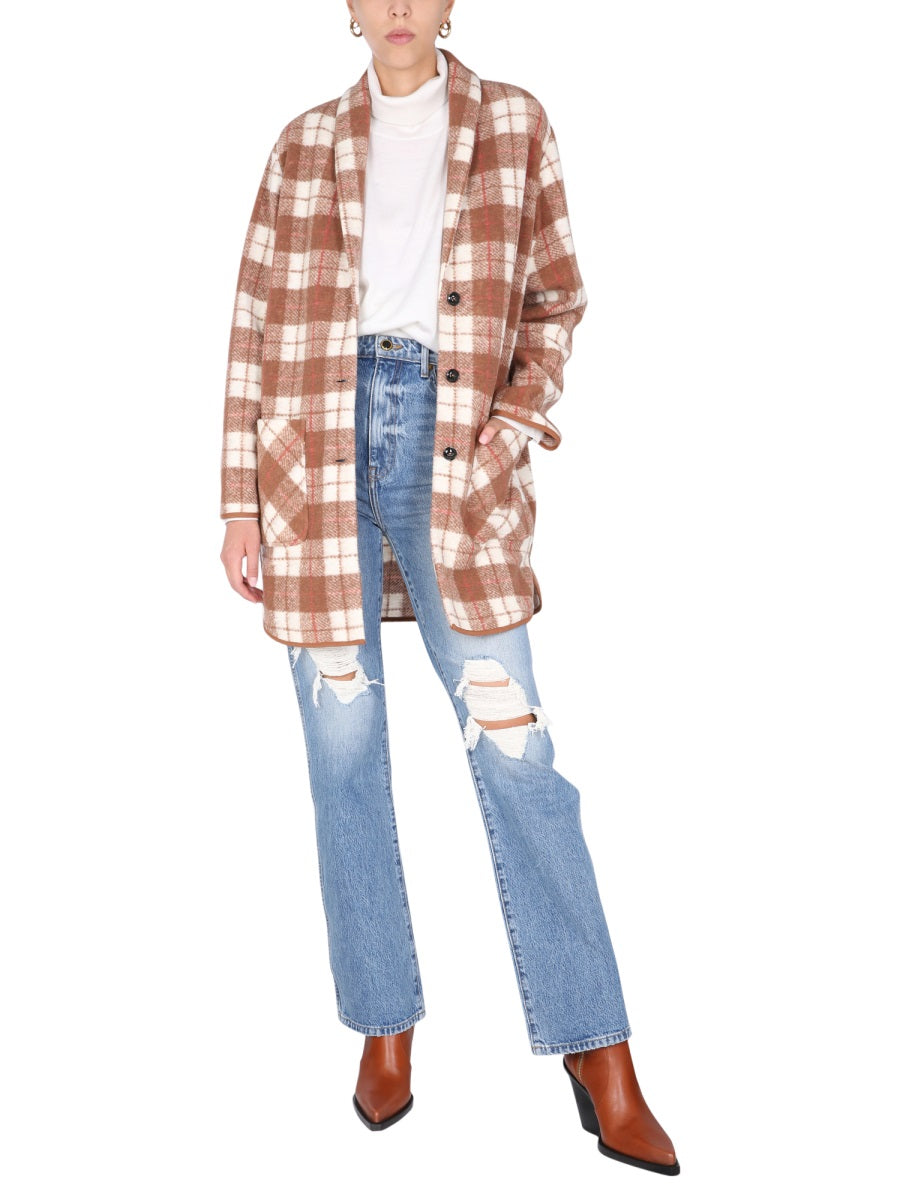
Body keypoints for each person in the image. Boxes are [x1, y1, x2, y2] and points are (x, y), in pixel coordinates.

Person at [218, 1, 679, 1175]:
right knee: (343, 758)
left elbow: (557, 300)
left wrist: (506, 432)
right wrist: (236, 502)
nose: (399, 8)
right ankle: (385, 1025)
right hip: (312, 459)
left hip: (454, 450)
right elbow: (254, 328)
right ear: (351, 9)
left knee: (516, 752)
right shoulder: (301, 143)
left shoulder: (514, 122)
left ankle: (599, 1045)